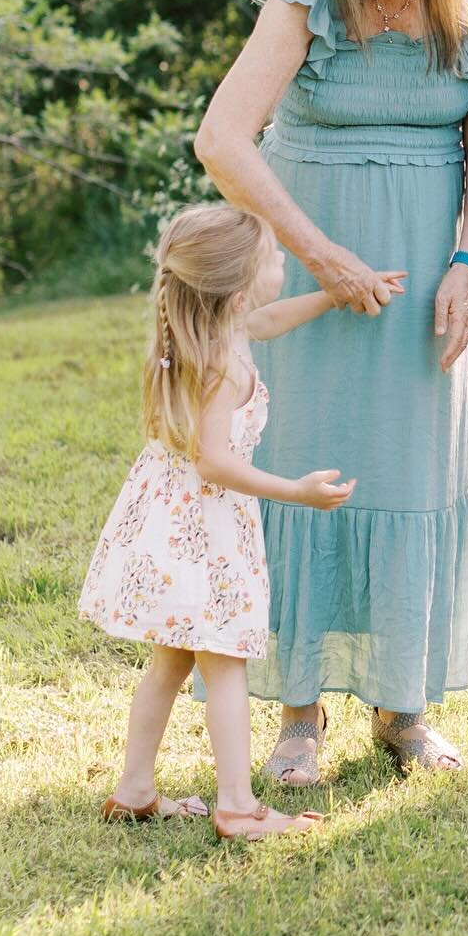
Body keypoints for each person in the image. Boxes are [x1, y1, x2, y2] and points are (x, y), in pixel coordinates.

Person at [194, 0, 468, 782]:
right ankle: (298, 710)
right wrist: (318, 253)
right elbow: (222, 139)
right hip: (305, 259)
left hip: (426, 269)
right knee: (300, 463)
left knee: (410, 472)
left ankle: (401, 709)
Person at [80, 203, 369, 839]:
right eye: (273, 259)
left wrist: (328, 297)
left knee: (171, 663)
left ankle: (134, 789)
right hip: (204, 532)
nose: (282, 263)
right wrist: (294, 490)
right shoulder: (222, 366)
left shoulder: (210, 334)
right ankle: (238, 807)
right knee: (225, 664)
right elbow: (214, 461)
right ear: (237, 289)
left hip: (169, 522)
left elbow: (267, 320)